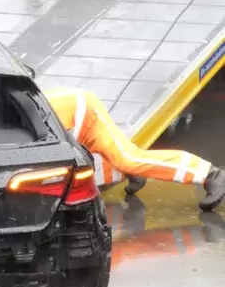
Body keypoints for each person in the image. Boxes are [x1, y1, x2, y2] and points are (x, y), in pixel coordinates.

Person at [43, 88, 225, 212]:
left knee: (126, 159)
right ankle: (130, 172)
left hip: (82, 111)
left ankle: (211, 175)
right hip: (70, 120)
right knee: (109, 160)